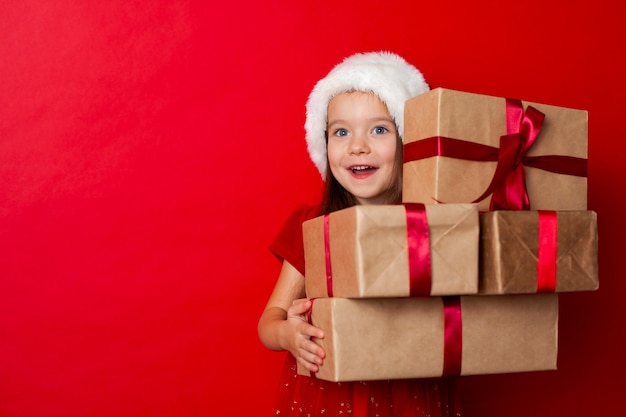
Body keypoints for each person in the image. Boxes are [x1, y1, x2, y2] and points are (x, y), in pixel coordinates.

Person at [258, 51, 462, 416]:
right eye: (341, 132)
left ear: (408, 141)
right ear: (324, 144)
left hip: (410, 394)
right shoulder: (313, 226)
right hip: (330, 398)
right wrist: (288, 335)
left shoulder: (433, 225)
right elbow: (268, 322)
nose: (357, 146)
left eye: (380, 129)